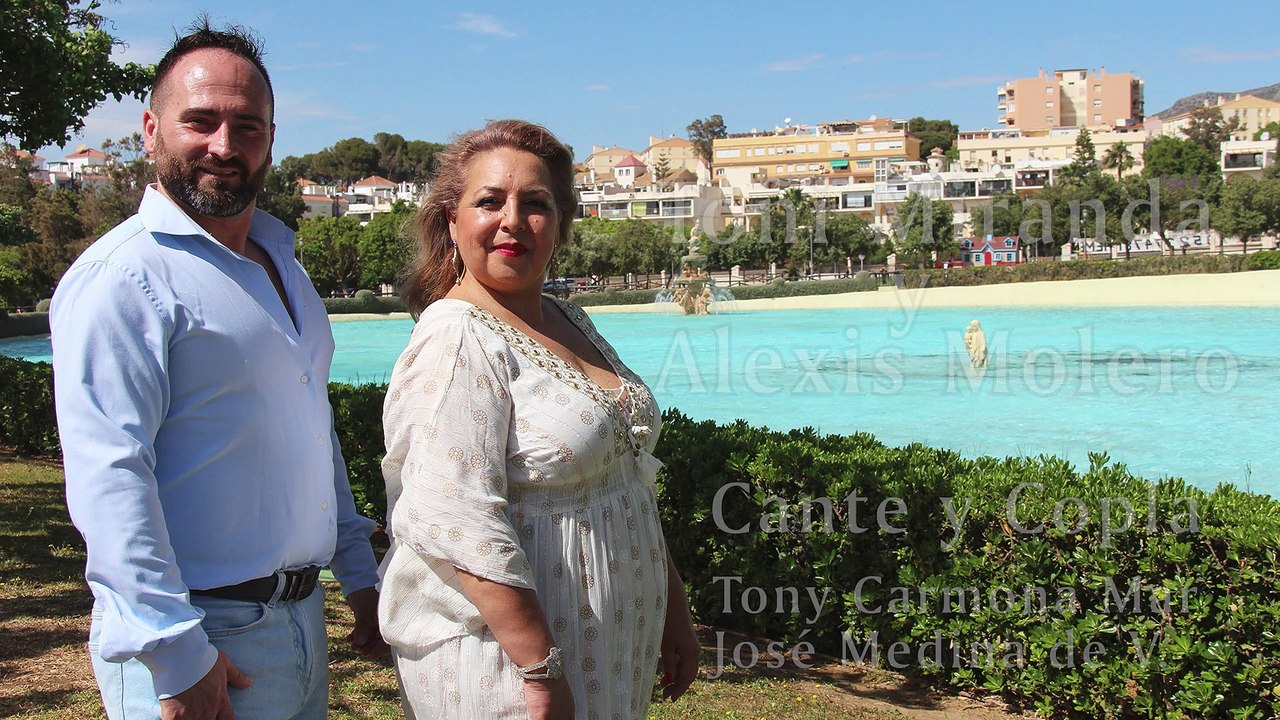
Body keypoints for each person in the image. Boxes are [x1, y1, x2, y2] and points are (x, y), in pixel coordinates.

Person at [50, 18, 386, 720]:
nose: (224, 147)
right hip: (199, 637)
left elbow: (310, 433)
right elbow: (110, 473)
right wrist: (175, 653)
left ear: (271, 138)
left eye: (248, 127)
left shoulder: (284, 269)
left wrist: (359, 576)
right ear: (149, 129)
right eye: (199, 121)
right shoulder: (125, 278)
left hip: (299, 623)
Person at [379, 119, 700, 719]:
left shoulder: (567, 318)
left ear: (560, 223)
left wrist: (671, 609)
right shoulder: (456, 338)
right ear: (452, 221)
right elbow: (455, 517)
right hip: (506, 663)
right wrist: (538, 669)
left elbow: (625, 476)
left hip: (602, 647)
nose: (511, 221)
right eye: (488, 201)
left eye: (535, 204)